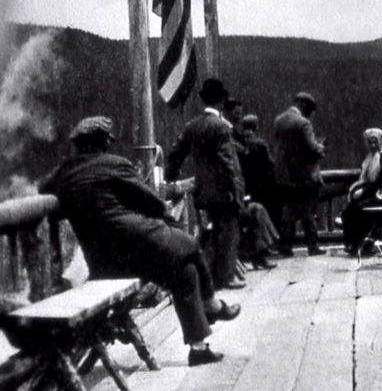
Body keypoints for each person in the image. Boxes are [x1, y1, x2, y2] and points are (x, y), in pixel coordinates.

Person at [40, 116, 241, 367]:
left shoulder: (62, 173)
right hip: (136, 243)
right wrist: (167, 221)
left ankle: (199, 349)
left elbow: (42, 190)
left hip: (103, 262)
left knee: (186, 271)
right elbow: (152, 202)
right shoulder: (114, 164)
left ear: (79, 145)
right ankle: (212, 304)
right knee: (189, 245)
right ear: (103, 143)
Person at [165, 78, 246, 290]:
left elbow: (175, 153)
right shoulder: (221, 126)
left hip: (203, 191)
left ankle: (211, 277)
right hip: (224, 191)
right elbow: (228, 163)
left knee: (212, 232)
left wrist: (171, 175)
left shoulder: (192, 126)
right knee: (228, 233)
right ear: (221, 101)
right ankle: (225, 277)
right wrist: (234, 190)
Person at [273, 92, 326, 257]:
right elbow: (311, 148)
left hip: (285, 176)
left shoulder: (279, 120)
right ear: (304, 106)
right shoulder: (304, 124)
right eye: (309, 110)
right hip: (304, 176)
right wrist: (321, 148)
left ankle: (285, 245)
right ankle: (313, 246)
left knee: (288, 212)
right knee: (308, 211)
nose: (309, 114)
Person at [233, 114, 280, 270]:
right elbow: (270, 166)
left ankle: (261, 252)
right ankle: (267, 247)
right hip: (263, 189)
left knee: (257, 211)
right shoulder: (260, 144)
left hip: (247, 190)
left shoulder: (238, 146)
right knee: (261, 212)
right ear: (256, 127)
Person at [340, 128, 382, 254]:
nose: (373, 145)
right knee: (349, 211)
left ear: (381, 141)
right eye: (370, 142)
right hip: (371, 190)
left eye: (375, 142)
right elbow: (366, 179)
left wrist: (363, 192)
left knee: (356, 210)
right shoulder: (369, 157)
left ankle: (358, 242)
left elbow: (380, 182)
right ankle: (354, 243)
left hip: (381, 193)